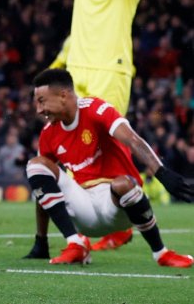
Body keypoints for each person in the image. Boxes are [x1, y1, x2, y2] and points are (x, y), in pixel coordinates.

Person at [28, 0, 148, 255]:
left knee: (108, 147)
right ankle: (68, 234)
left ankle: (123, 222)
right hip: (76, 73)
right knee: (63, 149)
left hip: (111, 71)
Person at [25, 69, 193, 267]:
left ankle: (161, 253)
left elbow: (132, 139)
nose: (39, 110)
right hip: (84, 209)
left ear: (63, 95)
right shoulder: (48, 133)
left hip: (119, 207)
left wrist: (162, 173)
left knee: (123, 184)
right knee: (36, 166)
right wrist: (41, 240)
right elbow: (42, 189)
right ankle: (76, 244)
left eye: (42, 101)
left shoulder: (95, 109)